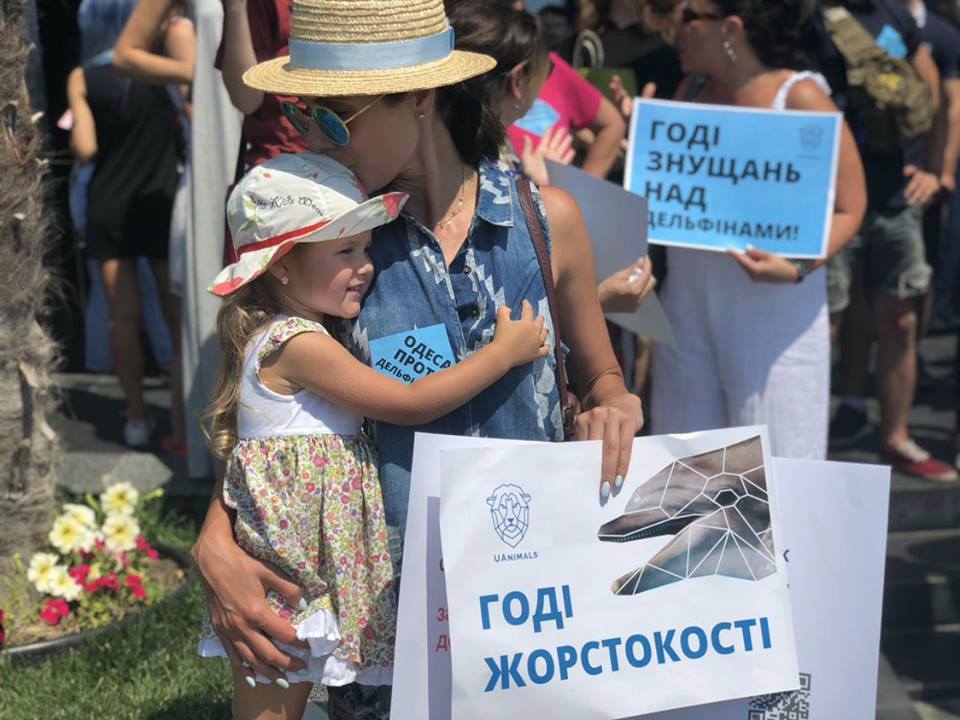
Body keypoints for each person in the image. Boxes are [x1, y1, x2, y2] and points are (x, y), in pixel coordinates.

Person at [193, 1, 643, 716]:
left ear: (422, 97)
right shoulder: (337, 251)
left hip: (536, 606)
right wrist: (214, 541)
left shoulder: (545, 220)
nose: (316, 138)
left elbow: (601, 376)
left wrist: (615, 404)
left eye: (337, 116)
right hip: (392, 628)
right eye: (305, 113)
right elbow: (273, 414)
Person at [198, 152, 550, 718]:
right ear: (281, 267)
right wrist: (501, 356)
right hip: (289, 568)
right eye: (345, 252)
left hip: (303, 561)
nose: (365, 266)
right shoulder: (297, 344)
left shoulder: (299, 333)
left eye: (365, 249)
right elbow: (408, 403)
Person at [647, 0, 867, 459]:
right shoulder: (690, 91)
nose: (676, 28)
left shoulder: (801, 97)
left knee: (778, 462)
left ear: (732, 29)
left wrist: (798, 266)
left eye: (689, 17)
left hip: (774, 314)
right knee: (685, 465)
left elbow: (851, 205)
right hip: (688, 305)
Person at [809, 0, 956, 479]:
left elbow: (932, 92)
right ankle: (806, 448)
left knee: (900, 321)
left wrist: (936, 171)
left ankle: (896, 437)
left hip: (895, 194)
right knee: (822, 326)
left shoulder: (898, 18)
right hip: (829, 197)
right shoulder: (811, 20)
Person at [446, 0, 657, 315]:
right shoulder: (484, 175)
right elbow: (499, 318)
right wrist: (599, 300)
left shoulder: (444, 153)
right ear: (518, 81)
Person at [67, 0, 183, 449]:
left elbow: (86, 148)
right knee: (176, 316)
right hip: (158, 200)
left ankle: (136, 416)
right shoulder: (159, 70)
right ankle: (182, 416)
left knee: (122, 318)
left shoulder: (83, 78)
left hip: (108, 204)